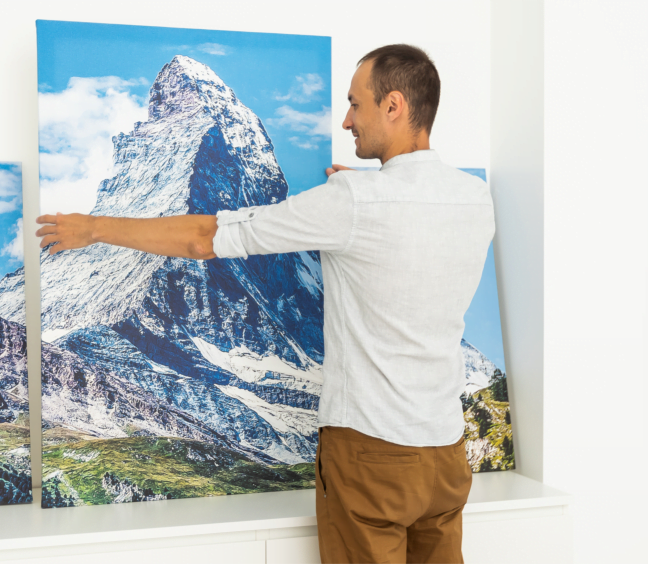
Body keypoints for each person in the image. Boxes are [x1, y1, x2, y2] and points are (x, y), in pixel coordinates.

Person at [36, 44, 491, 564]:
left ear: (393, 106)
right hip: (446, 456)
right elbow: (407, 232)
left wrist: (94, 227)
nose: (346, 120)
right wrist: (361, 193)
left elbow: (204, 238)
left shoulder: (353, 202)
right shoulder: (474, 198)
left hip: (373, 455)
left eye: (355, 104)